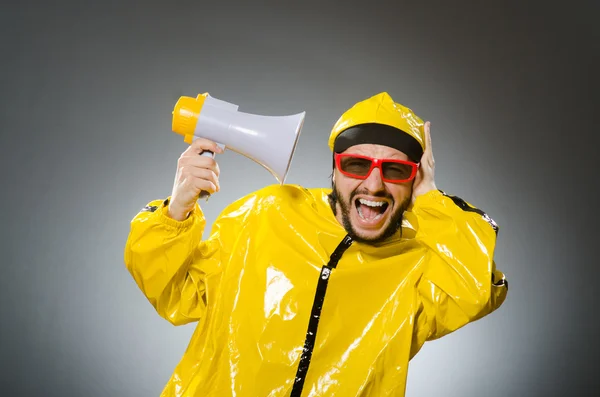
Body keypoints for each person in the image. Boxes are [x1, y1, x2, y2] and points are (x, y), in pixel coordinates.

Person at [124, 92, 508, 397]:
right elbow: (176, 294)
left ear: (415, 178)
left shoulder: (418, 263)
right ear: (336, 168)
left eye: (396, 170)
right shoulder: (266, 214)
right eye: (357, 165)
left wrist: (432, 200)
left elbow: (474, 290)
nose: (373, 185)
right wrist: (177, 209)